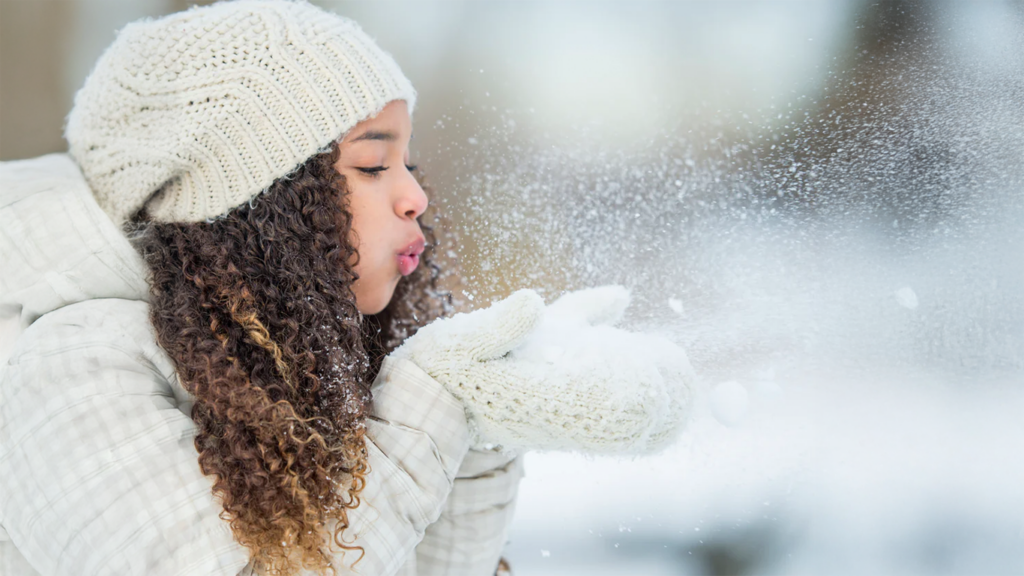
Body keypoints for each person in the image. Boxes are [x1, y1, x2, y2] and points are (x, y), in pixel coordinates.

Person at [0, 1, 695, 575]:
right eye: (371, 165)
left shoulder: (281, 366)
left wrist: (480, 434)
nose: (416, 196)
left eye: (408, 162)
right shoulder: (68, 371)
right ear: (254, 205)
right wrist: (430, 405)